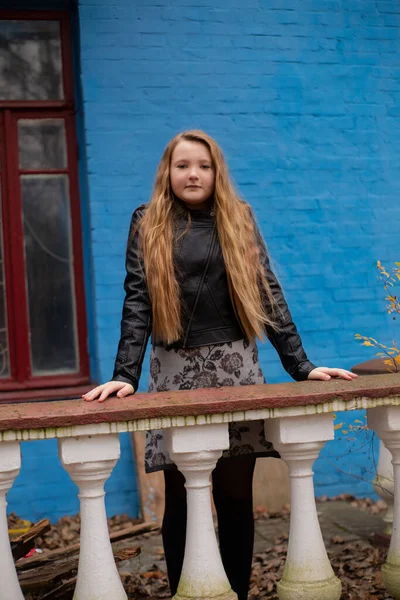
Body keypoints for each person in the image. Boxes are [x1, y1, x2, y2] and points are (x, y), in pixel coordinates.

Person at [83, 130, 357, 600]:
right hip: (173, 372)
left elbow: (267, 291)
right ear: (167, 172)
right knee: (180, 502)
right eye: (183, 165)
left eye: (204, 166)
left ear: (217, 172)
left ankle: (237, 594)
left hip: (236, 367)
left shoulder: (239, 217)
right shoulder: (146, 221)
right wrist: (124, 375)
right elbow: (138, 300)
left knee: (234, 498)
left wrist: (301, 365)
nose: (193, 174)